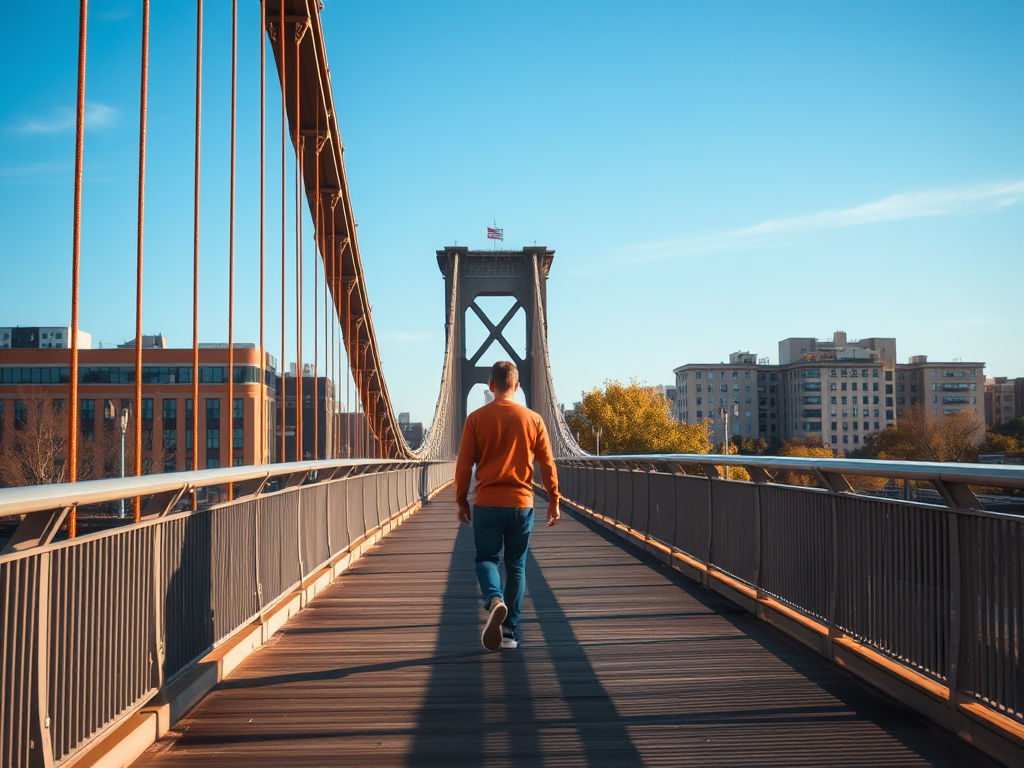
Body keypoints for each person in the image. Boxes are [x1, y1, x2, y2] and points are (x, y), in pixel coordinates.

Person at [455, 360, 560, 651]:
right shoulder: (534, 419)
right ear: (517, 386)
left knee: (487, 560)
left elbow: (464, 466)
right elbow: (547, 464)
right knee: (516, 566)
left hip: (487, 503)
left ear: (491, 385)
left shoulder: (475, 419)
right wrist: (554, 499)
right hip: (521, 505)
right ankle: (510, 632)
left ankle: (494, 598)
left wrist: (461, 500)